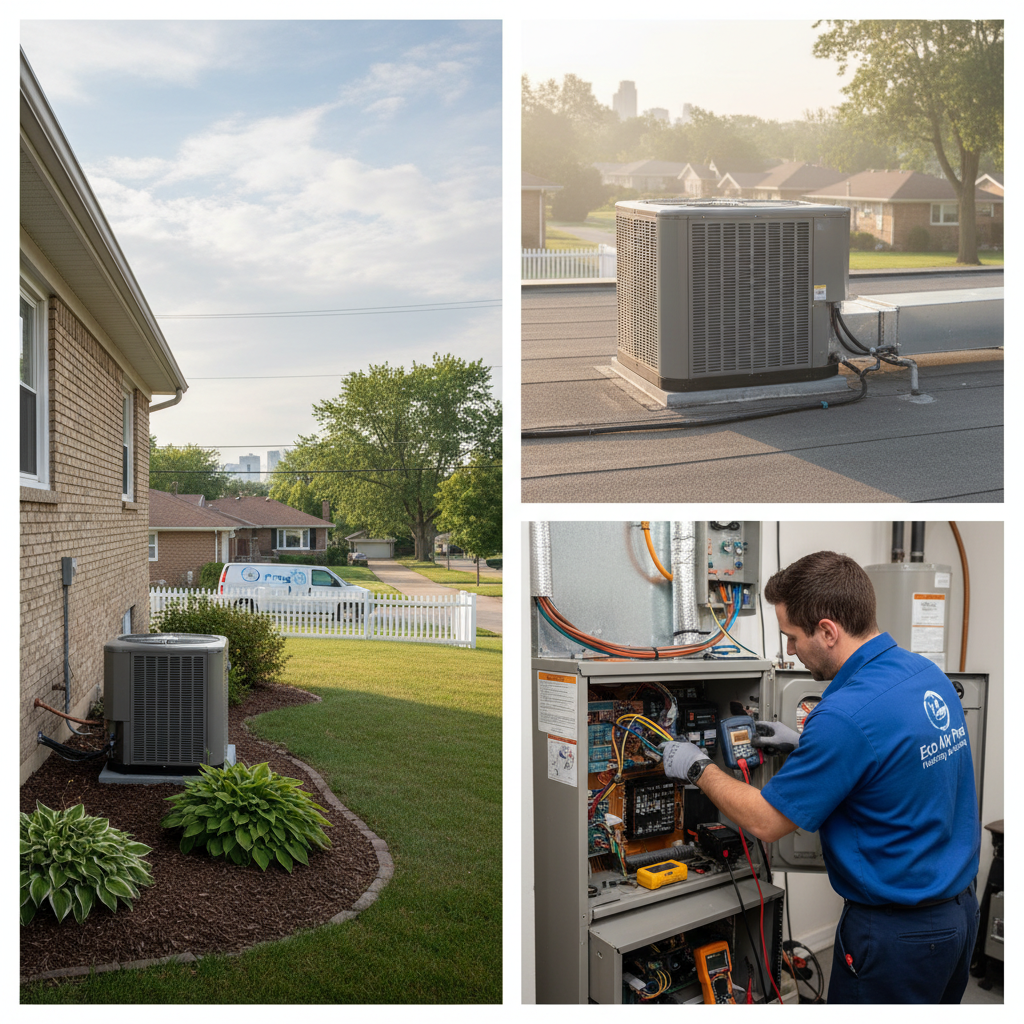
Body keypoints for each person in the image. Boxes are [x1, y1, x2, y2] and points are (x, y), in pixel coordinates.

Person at [662, 550, 981, 1004]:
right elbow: (896, 762)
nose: (790, 649)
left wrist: (697, 765)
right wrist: (805, 746)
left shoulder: (845, 716)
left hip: (896, 939)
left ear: (828, 631)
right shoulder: (924, 673)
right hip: (957, 918)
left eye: (791, 637)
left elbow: (766, 821)